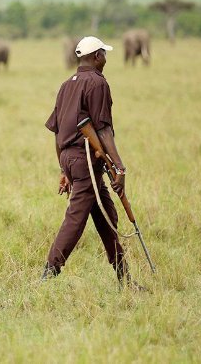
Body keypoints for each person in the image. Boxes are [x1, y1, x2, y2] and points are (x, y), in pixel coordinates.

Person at [42, 36, 145, 290]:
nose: (106, 59)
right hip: (84, 159)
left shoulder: (67, 84)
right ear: (97, 56)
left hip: (71, 158)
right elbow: (103, 129)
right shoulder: (98, 83)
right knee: (75, 220)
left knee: (107, 217)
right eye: (104, 54)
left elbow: (57, 132)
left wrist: (64, 169)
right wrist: (119, 167)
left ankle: (125, 279)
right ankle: (47, 276)